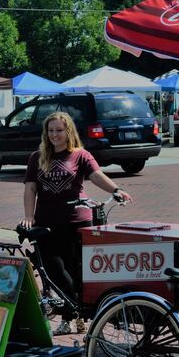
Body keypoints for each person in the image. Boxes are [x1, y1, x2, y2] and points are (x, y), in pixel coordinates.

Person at [20, 111, 133, 335]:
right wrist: (29, 216)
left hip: (77, 222)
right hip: (47, 223)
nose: (54, 135)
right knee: (54, 271)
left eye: (59, 130)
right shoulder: (37, 157)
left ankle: (75, 317)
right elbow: (30, 188)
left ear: (68, 131)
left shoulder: (80, 155)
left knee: (77, 270)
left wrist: (116, 190)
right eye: (51, 130)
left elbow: (96, 175)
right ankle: (73, 313)